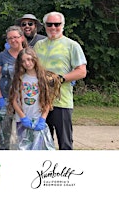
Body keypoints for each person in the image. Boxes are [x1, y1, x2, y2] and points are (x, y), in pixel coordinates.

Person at [34, 11, 87, 150]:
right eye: (49, 24)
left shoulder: (72, 45)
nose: (53, 27)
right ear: (45, 26)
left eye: (56, 24)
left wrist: (60, 79)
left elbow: (81, 71)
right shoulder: (39, 45)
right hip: (40, 100)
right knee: (43, 142)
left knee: (65, 142)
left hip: (61, 101)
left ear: (62, 25)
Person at [9, 48, 59, 150]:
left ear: (35, 59)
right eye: (23, 61)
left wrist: (42, 119)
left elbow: (47, 101)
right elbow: (14, 100)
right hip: (22, 121)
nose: (27, 63)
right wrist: (23, 118)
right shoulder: (19, 78)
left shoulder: (43, 78)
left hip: (38, 120)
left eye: (29, 59)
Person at [0, 26, 27, 149]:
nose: (13, 40)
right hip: (6, 99)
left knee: (24, 131)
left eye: (15, 37)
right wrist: (0, 97)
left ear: (21, 38)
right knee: (5, 132)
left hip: (25, 100)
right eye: (10, 38)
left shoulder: (29, 54)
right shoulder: (2, 56)